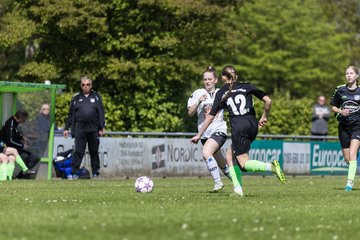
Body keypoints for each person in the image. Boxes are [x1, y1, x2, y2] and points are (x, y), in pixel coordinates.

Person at [191, 65, 286, 196]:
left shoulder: (222, 92)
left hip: (239, 127)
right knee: (231, 157)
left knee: (243, 163)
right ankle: (238, 189)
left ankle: (270, 167)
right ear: (236, 76)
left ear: (223, 77)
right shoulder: (248, 86)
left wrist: (199, 134)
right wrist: (264, 116)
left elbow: (211, 116)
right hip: (253, 125)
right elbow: (268, 101)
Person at [187, 66, 231, 192]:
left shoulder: (221, 93)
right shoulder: (198, 93)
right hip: (205, 135)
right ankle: (237, 183)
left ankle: (218, 183)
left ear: (215, 80)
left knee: (206, 153)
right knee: (223, 165)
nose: (207, 81)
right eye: (205, 79)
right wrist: (199, 102)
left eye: (210, 79)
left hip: (219, 131)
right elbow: (190, 112)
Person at [63, 76, 105, 179]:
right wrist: (66, 128)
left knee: (94, 151)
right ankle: (74, 173)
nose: (85, 86)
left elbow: (101, 113)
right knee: (78, 151)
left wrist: (101, 127)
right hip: (80, 129)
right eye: (83, 85)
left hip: (93, 129)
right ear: (81, 86)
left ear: (91, 85)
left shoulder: (96, 97)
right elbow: (70, 114)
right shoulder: (76, 97)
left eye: (87, 84)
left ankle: (95, 172)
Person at [330, 66, 360, 191]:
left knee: (352, 155)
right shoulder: (340, 90)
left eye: (351, 73)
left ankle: (349, 183)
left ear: (357, 76)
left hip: (358, 127)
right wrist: (341, 111)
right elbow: (333, 107)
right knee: (348, 159)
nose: (349, 75)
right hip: (343, 127)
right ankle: (354, 157)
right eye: (347, 73)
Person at [2, 110, 39, 178]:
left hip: (16, 147)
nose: (25, 121)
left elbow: (15, 134)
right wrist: (22, 145)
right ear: (21, 118)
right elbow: (10, 141)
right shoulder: (10, 123)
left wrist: (22, 137)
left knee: (35, 158)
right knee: (25, 157)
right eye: (24, 119)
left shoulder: (15, 123)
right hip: (7, 148)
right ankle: (24, 174)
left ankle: (22, 175)